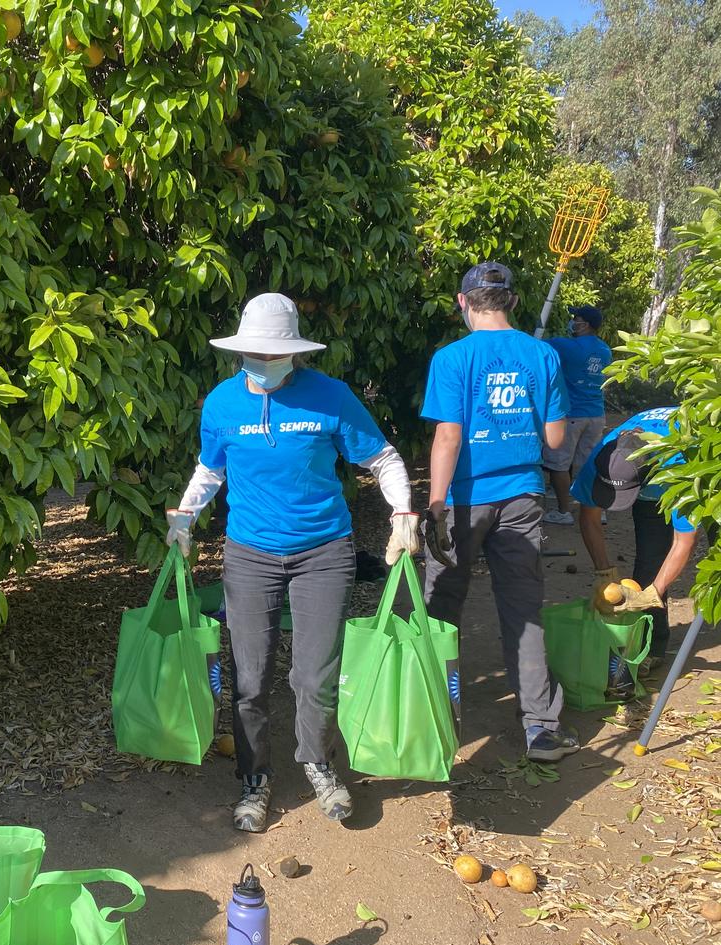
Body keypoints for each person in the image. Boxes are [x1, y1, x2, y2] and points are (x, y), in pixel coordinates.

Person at [166, 292, 419, 832]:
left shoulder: (331, 398)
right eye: (254, 353)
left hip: (323, 552)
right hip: (250, 553)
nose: (262, 362)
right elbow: (210, 470)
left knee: (316, 674)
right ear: (240, 351)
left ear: (294, 354)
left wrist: (402, 511)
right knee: (250, 676)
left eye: (274, 354)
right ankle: (253, 778)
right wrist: (185, 515)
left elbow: (382, 457)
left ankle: (318, 762)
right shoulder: (221, 403)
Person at [419, 262, 579, 763]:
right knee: (522, 608)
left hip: (464, 499)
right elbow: (555, 440)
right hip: (522, 496)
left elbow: (448, 436)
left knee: (441, 607)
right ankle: (540, 728)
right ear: (511, 302)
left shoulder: (451, 357)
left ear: (464, 303)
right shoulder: (542, 355)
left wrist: (435, 506)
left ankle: (433, 717)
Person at [573, 407, 700, 661]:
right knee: (649, 563)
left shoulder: (680, 465)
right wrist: (604, 572)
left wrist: (656, 591)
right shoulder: (601, 457)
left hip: (693, 469)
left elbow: (684, 539)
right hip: (648, 481)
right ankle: (650, 649)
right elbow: (589, 516)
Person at [542, 305, 612, 525]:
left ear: (586, 325)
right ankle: (596, 510)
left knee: (558, 464)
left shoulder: (566, 346)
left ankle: (564, 512)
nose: (573, 322)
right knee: (588, 464)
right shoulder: (605, 350)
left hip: (572, 414)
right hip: (596, 414)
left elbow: (536, 343)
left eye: (577, 319)